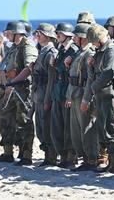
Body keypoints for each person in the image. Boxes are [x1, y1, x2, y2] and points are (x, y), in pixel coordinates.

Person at [0, 21, 38, 165]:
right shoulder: (13, 47)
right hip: (9, 89)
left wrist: (14, 81)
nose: (6, 35)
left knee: (24, 121)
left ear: (17, 33)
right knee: (5, 119)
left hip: (22, 90)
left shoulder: (28, 47)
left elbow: (29, 67)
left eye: (9, 33)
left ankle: (26, 154)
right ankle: (8, 152)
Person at [86, 24, 114, 173]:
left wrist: (93, 87)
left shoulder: (111, 50)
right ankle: (110, 161)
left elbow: (108, 73)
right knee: (103, 128)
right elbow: (95, 71)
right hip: (101, 94)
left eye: (94, 41)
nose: (93, 44)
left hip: (109, 94)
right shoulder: (101, 51)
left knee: (111, 128)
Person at [65, 23, 98, 171]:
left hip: (82, 94)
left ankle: (91, 159)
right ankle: (85, 158)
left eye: (76, 36)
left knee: (86, 128)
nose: (73, 38)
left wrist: (86, 98)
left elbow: (89, 78)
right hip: (75, 93)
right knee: (77, 129)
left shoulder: (89, 53)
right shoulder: (80, 53)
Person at [50, 22, 78, 168]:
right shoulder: (60, 49)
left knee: (68, 126)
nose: (57, 36)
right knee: (57, 126)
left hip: (67, 89)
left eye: (59, 34)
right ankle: (62, 155)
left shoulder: (73, 49)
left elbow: (71, 70)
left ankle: (70, 157)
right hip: (58, 90)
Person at [32, 23, 58, 166]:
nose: (37, 35)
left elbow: (51, 79)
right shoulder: (42, 51)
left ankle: (51, 156)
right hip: (38, 92)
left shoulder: (50, 53)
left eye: (39, 33)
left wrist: (48, 99)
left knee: (46, 126)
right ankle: (47, 155)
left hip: (45, 93)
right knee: (40, 127)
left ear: (47, 36)